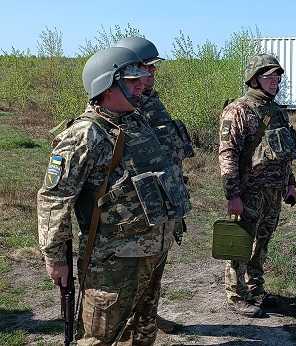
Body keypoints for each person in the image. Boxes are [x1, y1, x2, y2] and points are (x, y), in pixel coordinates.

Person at [37, 46, 190, 345]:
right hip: (112, 261)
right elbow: (54, 199)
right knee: (100, 336)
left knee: (142, 329)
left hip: (151, 251)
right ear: (106, 86)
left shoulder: (136, 121)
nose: (141, 86)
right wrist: (55, 257)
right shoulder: (85, 134)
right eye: (132, 81)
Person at [114, 36, 195, 333]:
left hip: (164, 198)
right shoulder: (124, 107)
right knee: (133, 273)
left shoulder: (150, 100)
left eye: (153, 68)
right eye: (147, 68)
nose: (152, 73)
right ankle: (127, 325)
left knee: (154, 268)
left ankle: (147, 316)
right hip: (139, 207)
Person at [218, 53, 296, 317]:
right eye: (269, 76)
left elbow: (284, 151)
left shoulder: (277, 111)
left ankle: (255, 288)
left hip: (274, 191)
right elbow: (227, 154)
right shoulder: (238, 110)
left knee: (262, 242)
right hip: (248, 192)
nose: (275, 80)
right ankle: (236, 294)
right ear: (254, 79)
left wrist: (290, 183)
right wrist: (232, 194)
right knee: (239, 243)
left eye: (278, 76)